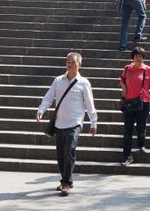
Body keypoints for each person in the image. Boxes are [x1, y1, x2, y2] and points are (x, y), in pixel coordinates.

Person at [34, 52, 98, 196]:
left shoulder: (84, 83)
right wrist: (41, 110)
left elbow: (89, 104)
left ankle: (66, 182)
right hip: (60, 123)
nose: (69, 64)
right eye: (67, 62)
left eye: (72, 62)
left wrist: (93, 121)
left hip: (75, 123)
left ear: (79, 65)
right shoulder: (58, 80)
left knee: (69, 150)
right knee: (60, 155)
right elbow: (49, 97)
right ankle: (65, 179)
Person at [119, 47, 150, 166]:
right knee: (128, 130)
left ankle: (141, 145)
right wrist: (123, 87)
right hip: (129, 102)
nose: (138, 58)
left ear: (143, 57)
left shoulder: (148, 69)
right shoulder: (127, 68)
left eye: (141, 56)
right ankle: (127, 157)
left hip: (143, 102)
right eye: (136, 56)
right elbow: (121, 80)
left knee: (141, 128)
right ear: (133, 57)